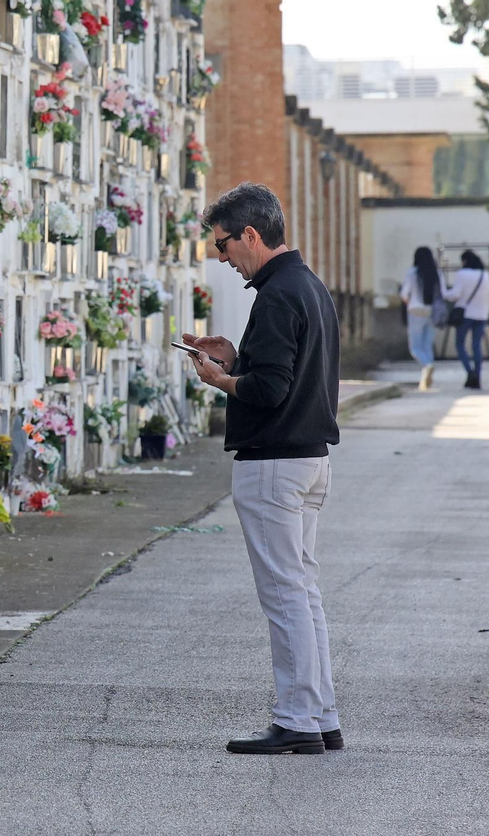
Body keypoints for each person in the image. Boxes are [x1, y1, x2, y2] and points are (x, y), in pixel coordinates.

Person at [181, 182, 341, 756]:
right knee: (303, 590)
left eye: (224, 245)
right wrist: (236, 353)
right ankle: (320, 715)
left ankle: (297, 718)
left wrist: (221, 379)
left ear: (251, 234)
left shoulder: (275, 295)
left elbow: (271, 390)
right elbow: (287, 371)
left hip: (274, 461)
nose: (223, 258)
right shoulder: (308, 286)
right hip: (309, 459)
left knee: (283, 594)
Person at [445, 251, 489, 390]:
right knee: (476, 346)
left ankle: (469, 371)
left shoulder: (462, 274)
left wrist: (444, 292)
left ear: (465, 261)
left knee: (460, 344)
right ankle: (477, 376)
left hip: (465, 314)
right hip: (482, 314)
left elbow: (455, 295)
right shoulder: (485, 275)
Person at [399, 246, 445, 390]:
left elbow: (404, 294)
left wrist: (408, 302)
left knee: (415, 348)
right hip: (432, 312)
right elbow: (443, 292)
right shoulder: (437, 273)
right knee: (427, 346)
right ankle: (426, 377)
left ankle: (427, 366)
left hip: (415, 311)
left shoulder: (412, 272)